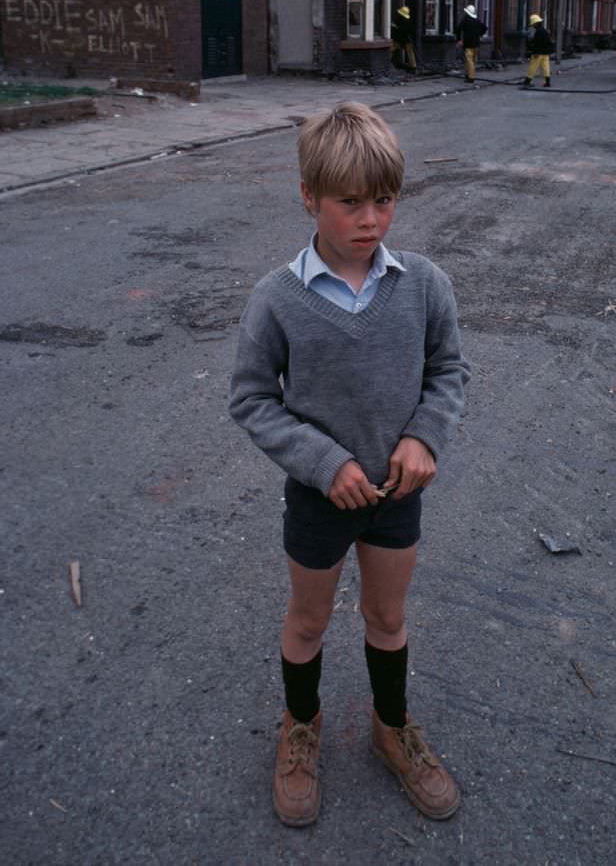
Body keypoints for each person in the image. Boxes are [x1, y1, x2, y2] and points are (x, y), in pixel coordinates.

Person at [229, 102, 470, 827]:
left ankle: (390, 725)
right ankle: (300, 727)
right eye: (349, 203)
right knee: (307, 621)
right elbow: (251, 398)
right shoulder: (277, 298)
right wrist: (322, 460)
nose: (370, 220)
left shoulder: (423, 283)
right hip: (317, 498)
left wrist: (425, 436)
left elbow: (448, 371)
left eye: (384, 200)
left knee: (386, 614)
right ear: (308, 194)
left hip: (397, 493)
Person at [455, 3, 487, 83]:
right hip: (476, 44)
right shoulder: (477, 21)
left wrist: (459, 40)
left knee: (469, 60)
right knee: (472, 60)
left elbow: (458, 29)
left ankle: (471, 77)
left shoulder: (465, 20)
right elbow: (484, 28)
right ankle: (468, 74)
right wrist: (480, 35)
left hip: (468, 44)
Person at [521, 13, 553, 88]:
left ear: (535, 23)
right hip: (546, 53)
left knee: (533, 66)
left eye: (533, 24)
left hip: (538, 53)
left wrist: (534, 51)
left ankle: (527, 81)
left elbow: (537, 43)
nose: (532, 26)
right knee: (546, 67)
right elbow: (548, 42)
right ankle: (547, 82)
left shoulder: (538, 32)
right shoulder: (545, 31)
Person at [390, 5, 417, 73]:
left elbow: (396, 28)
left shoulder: (398, 19)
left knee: (391, 49)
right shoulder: (408, 21)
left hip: (400, 39)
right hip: (406, 39)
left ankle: (387, 62)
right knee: (410, 52)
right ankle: (413, 67)